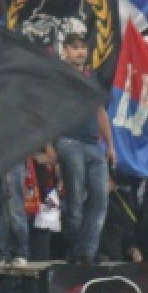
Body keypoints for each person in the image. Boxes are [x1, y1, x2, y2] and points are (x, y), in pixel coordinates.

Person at [55, 31, 116, 264]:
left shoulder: (92, 76)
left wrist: (111, 145)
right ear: (65, 51)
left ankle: (86, 252)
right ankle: (74, 249)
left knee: (101, 198)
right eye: (75, 47)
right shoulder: (59, 75)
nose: (80, 51)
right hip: (69, 141)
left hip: (93, 143)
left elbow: (100, 111)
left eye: (83, 47)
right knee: (75, 200)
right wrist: (51, 146)